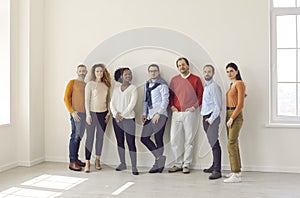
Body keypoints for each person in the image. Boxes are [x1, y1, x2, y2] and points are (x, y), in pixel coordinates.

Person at [168, 57, 204, 174]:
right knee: (174, 140)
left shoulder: (196, 80)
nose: (181, 67)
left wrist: (194, 107)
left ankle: (186, 164)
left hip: (190, 113)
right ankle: (178, 163)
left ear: (188, 66)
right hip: (177, 113)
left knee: (189, 140)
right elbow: (170, 96)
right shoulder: (174, 80)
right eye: (179, 65)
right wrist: (172, 106)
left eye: (183, 65)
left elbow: (201, 96)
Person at [140, 64, 169, 173]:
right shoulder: (147, 84)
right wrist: (144, 113)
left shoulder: (162, 84)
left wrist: (159, 113)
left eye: (155, 71)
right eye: (151, 71)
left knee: (158, 139)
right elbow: (145, 100)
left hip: (160, 115)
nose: (153, 73)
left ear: (158, 72)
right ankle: (159, 158)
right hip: (149, 115)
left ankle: (158, 165)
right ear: (148, 73)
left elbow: (165, 100)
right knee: (144, 138)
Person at [110, 67, 139, 175]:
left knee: (131, 143)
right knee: (120, 142)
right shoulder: (116, 89)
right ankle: (122, 163)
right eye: (126, 74)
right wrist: (115, 114)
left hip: (129, 119)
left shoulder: (133, 88)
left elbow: (132, 104)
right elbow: (112, 103)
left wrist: (122, 115)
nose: (128, 76)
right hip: (116, 119)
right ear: (121, 76)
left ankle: (134, 166)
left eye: (129, 74)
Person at [84, 64, 111, 172]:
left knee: (100, 138)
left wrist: (108, 113)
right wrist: (88, 115)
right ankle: (87, 162)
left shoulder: (106, 85)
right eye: (97, 71)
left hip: (103, 114)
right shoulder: (90, 84)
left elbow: (109, 100)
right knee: (89, 138)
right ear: (94, 73)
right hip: (92, 114)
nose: (99, 73)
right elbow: (87, 100)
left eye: (101, 71)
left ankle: (97, 160)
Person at [224, 62, 246, 183]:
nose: (229, 73)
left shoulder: (239, 84)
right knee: (233, 143)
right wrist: (229, 117)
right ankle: (236, 171)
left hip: (235, 115)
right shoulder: (231, 84)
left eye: (231, 71)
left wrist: (232, 118)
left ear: (237, 71)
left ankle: (236, 173)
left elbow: (240, 105)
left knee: (231, 144)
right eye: (227, 71)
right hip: (229, 114)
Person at [64, 64, 88, 171]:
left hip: (84, 114)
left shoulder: (87, 85)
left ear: (86, 72)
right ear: (77, 72)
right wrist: (72, 112)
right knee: (74, 136)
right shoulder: (72, 83)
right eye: (80, 71)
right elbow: (66, 98)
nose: (82, 72)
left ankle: (76, 159)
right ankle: (72, 162)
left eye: (83, 71)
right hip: (76, 114)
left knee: (79, 136)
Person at [201, 64, 222, 180]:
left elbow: (218, 106)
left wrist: (211, 119)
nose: (207, 73)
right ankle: (214, 165)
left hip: (211, 118)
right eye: (205, 72)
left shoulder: (214, 86)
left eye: (209, 71)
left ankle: (217, 170)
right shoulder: (207, 86)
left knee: (215, 144)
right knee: (211, 143)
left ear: (213, 73)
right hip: (205, 116)